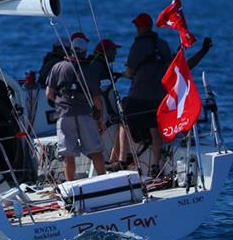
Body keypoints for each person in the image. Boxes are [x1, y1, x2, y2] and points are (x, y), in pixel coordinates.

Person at [111, 12, 212, 175]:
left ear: (141, 27)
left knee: (124, 122)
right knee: (154, 130)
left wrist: (122, 74)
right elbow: (181, 67)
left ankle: (121, 160)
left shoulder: (138, 46)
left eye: (137, 25)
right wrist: (203, 51)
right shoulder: (163, 45)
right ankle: (155, 166)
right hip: (159, 98)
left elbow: (130, 73)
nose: (136, 28)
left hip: (138, 97)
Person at [46, 36, 107, 181]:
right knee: (95, 151)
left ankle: (71, 187)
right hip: (85, 114)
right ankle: (104, 181)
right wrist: (100, 121)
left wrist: (61, 104)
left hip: (64, 114)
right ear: (85, 52)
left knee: (68, 155)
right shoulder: (90, 70)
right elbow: (96, 99)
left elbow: (49, 93)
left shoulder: (58, 67)